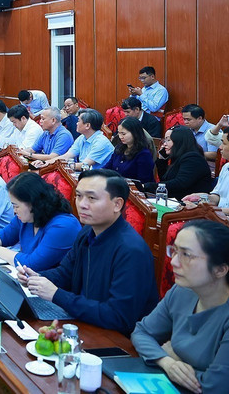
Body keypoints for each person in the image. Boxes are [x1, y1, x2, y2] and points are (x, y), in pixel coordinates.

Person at [18, 169, 158, 335]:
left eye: (91, 198)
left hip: (117, 340)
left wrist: (56, 295)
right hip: (84, 322)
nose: (82, 204)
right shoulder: (87, 232)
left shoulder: (131, 250)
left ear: (117, 204)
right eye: (78, 196)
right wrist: (37, 278)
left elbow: (119, 317)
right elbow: (65, 273)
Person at [131, 221, 229, 393]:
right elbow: (141, 332)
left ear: (220, 270)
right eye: (175, 251)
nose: (174, 262)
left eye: (186, 255)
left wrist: (174, 356)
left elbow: (215, 387)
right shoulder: (182, 291)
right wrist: (167, 361)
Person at [0, 172, 81, 270]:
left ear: (33, 203)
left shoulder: (63, 226)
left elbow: (32, 264)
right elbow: (5, 235)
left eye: (16, 206)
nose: (14, 211)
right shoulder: (28, 217)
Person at [145, 126, 212, 200]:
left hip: (190, 204)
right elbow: (165, 180)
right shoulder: (178, 157)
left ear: (179, 141)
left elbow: (179, 184)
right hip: (176, 200)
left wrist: (148, 186)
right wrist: (162, 160)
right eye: (165, 140)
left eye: (168, 140)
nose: (164, 144)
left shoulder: (193, 159)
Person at [37, 108, 114, 170]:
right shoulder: (82, 138)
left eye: (78, 121)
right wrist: (46, 163)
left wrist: (62, 165)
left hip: (100, 179)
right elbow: (67, 156)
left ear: (87, 125)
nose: (76, 123)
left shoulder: (101, 142)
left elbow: (84, 165)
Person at [184, 127, 229, 212]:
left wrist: (207, 210)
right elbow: (218, 197)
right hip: (218, 216)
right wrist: (201, 197)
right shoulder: (226, 167)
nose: (220, 147)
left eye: (224, 143)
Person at [107, 117, 156, 184]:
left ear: (134, 133)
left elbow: (143, 181)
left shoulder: (144, 154)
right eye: (119, 133)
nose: (120, 136)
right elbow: (108, 168)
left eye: (123, 134)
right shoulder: (119, 148)